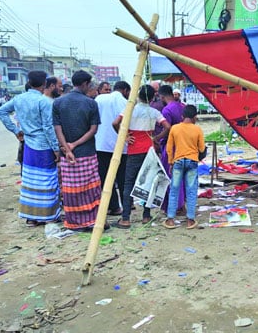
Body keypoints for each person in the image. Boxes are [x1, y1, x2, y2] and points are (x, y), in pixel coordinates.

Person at [0, 70, 61, 226]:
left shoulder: (19, 98)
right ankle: (48, 216)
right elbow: (48, 127)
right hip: (44, 145)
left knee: (30, 180)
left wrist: (16, 130)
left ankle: (31, 217)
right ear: (44, 84)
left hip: (28, 144)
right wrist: (56, 149)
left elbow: (1, 111)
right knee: (47, 180)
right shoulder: (44, 102)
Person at [111, 85, 171, 229]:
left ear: (138, 96)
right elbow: (168, 127)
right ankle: (146, 215)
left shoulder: (130, 110)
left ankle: (125, 218)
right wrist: (156, 138)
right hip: (149, 151)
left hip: (133, 151)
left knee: (128, 184)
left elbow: (115, 123)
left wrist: (125, 136)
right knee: (149, 183)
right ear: (151, 98)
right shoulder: (154, 112)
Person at [52, 70, 105, 231]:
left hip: (67, 154)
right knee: (90, 188)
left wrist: (67, 148)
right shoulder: (91, 103)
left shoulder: (58, 103)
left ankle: (74, 221)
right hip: (86, 153)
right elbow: (93, 130)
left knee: (70, 189)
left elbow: (57, 129)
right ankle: (91, 220)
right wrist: (74, 145)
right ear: (85, 84)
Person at [163, 104, 205, 229]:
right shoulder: (197, 129)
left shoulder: (175, 129)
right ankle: (190, 220)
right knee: (191, 191)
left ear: (182, 116)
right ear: (195, 117)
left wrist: (170, 162)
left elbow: (169, 148)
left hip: (178, 161)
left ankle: (170, 219)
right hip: (192, 161)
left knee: (174, 190)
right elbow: (202, 148)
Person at [95, 80, 131, 215]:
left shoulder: (99, 99)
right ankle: (127, 206)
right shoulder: (125, 102)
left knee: (105, 178)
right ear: (126, 91)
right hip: (120, 145)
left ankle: (113, 206)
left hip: (101, 144)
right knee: (123, 178)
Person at [153, 84, 186, 214]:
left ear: (161, 96)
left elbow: (167, 129)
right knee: (182, 176)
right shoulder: (182, 106)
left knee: (170, 176)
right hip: (184, 145)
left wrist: (157, 138)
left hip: (171, 146)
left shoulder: (167, 110)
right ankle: (182, 205)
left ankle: (174, 206)